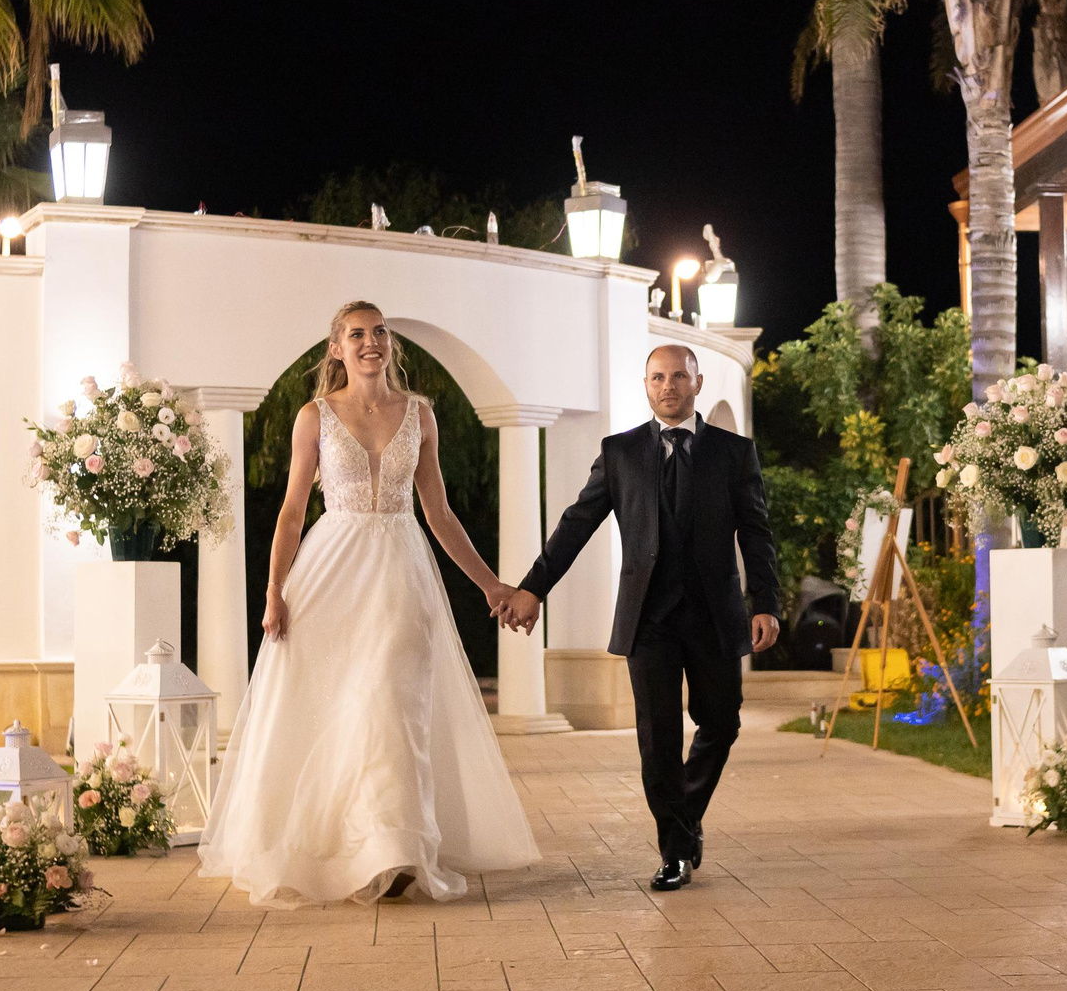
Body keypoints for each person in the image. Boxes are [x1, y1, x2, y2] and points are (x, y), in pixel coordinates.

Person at [199, 300, 541, 907]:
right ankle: (349, 844)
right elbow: (292, 510)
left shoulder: (421, 414)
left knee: (392, 698)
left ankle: (396, 848)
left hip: (402, 570)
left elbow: (438, 512)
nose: (370, 342)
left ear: (390, 344)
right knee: (344, 707)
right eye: (356, 334)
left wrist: (491, 584)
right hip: (331, 571)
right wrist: (274, 591)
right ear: (336, 348)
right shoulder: (314, 417)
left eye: (379, 332)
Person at [495, 344, 779, 890]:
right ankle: (674, 850)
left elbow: (757, 534)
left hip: (716, 614)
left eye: (678, 376)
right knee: (658, 735)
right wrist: (533, 589)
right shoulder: (620, 452)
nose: (667, 386)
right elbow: (576, 524)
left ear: (696, 383)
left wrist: (764, 601)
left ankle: (685, 818)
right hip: (648, 617)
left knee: (722, 722)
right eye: (657, 377)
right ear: (645, 386)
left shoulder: (733, 452)